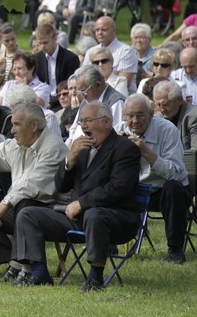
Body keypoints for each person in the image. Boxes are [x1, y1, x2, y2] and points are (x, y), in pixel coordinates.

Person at [12, 102, 141, 291]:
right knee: (27, 213)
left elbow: (118, 188)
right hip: (78, 217)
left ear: (106, 122)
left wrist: (81, 203)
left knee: (95, 214)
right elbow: (60, 186)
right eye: (81, 121)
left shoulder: (125, 149)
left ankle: (95, 279)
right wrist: (69, 162)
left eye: (88, 120)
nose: (83, 126)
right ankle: (39, 273)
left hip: (116, 218)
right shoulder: (82, 148)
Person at [0, 102, 68, 278]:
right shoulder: (18, 143)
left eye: (16, 124)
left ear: (34, 125)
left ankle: (25, 267)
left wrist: (4, 203)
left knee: (25, 203)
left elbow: (32, 186)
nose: (12, 130)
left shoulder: (53, 147)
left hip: (51, 211)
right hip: (20, 208)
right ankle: (12, 258)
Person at [122, 93, 191, 263]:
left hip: (164, 190)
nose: (135, 121)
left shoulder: (167, 130)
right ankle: (110, 244)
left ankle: (175, 250)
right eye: (130, 116)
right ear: (125, 116)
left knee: (173, 188)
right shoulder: (120, 130)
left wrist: (145, 151)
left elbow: (176, 173)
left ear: (151, 114)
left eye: (140, 115)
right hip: (135, 190)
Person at [84, 16, 138, 94]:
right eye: (97, 30)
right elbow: (85, 78)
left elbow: (123, 82)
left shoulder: (126, 51)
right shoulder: (90, 52)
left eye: (104, 30)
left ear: (114, 31)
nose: (99, 33)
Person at [34, 24, 80, 107]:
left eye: (45, 42)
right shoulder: (37, 58)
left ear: (55, 39)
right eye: (40, 43)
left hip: (64, 101)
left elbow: (68, 87)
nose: (42, 47)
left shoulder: (70, 59)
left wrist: (50, 103)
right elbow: (37, 83)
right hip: (44, 100)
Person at [153, 80, 197, 150]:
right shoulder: (158, 118)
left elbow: (194, 154)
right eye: (158, 105)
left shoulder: (194, 116)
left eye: (165, 105)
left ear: (179, 100)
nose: (162, 109)